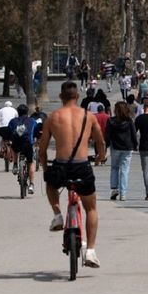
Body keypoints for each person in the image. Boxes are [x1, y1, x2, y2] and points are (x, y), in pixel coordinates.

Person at [39, 81, 106, 268]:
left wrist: (45, 169)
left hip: (60, 166)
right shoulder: (88, 116)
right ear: (77, 97)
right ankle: (91, 251)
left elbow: (42, 150)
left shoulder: (53, 117)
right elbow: (100, 142)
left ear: (61, 97)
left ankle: (57, 213)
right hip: (82, 166)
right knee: (91, 208)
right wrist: (100, 157)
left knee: (51, 183)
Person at [105, 101, 138, 201]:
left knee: (114, 168)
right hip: (127, 148)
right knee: (124, 170)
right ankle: (123, 193)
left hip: (115, 147)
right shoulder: (129, 121)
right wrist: (135, 145)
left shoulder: (111, 120)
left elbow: (108, 135)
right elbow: (133, 134)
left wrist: (106, 145)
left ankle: (114, 189)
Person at [8, 104, 38, 194]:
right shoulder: (32, 121)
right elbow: (36, 132)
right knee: (30, 162)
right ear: (27, 112)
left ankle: (15, 165)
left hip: (17, 143)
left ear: (18, 112)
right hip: (28, 144)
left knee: (14, 148)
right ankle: (31, 185)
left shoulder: (13, 121)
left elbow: (9, 132)